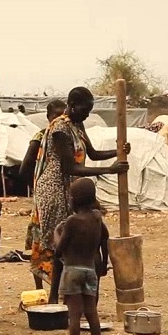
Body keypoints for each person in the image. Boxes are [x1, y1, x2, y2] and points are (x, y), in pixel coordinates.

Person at [31, 87, 129, 304]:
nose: (87, 114)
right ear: (72, 105)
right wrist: (110, 170)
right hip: (54, 190)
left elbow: (92, 154)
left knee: (71, 239)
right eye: (85, 109)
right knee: (59, 244)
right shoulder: (60, 129)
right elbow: (70, 167)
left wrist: (119, 152)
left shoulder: (77, 125)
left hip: (70, 188)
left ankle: (66, 296)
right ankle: (55, 298)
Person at [54, 179, 107, 335]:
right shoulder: (96, 217)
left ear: (74, 199)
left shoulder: (72, 221)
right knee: (92, 313)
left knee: (74, 315)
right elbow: (105, 238)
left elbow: (59, 250)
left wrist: (56, 232)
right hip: (90, 270)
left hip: (72, 271)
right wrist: (104, 263)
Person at [20, 99, 67, 290]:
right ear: (48, 117)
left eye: (63, 115)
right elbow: (24, 168)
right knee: (41, 245)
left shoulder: (67, 135)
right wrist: (42, 183)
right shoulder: (40, 137)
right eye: (56, 115)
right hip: (47, 197)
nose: (60, 119)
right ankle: (40, 290)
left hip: (63, 196)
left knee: (60, 244)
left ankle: (58, 289)